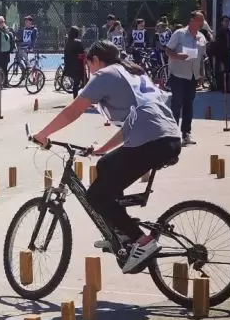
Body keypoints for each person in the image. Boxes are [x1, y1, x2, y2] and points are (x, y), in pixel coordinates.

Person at [32, 41, 182, 274]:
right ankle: (121, 231)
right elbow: (132, 124)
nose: (90, 70)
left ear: (96, 60)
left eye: (89, 64)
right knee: (105, 164)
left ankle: (140, 240)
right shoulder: (132, 72)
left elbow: (74, 110)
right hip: (168, 138)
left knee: (96, 196)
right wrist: (103, 148)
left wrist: (43, 134)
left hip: (152, 141)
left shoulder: (105, 74)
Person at [163, 10, 207, 146]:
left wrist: (201, 75)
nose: (202, 24)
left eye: (203, 21)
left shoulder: (201, 37)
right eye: (200, 21)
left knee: (189, 105)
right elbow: (168, 50)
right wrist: (178, 56)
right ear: (192, 21)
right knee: (176, 104)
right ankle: (174, 134)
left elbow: (201, 59)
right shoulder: (179, 34)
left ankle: (186, 133)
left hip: (193, 76)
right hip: (178, 75)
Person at [213, 15, 230, 92]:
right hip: (221, 55)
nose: (227, 23)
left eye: (228, 21)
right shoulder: (220, 32)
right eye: (225, 21)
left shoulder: (229, 31)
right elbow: (219, 44)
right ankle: (222, 87)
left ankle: (226, 88)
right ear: (222, 22)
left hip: (227, 54)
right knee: (223, 72)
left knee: (227, 71)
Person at [62, 26, 86, 98]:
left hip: (69, 66)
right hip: (78, 66)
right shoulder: (78, 42)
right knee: (84, 82)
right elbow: (82, 54)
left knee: (76, 84)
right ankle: (84, 99)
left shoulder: (68, 42)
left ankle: (75, 98)